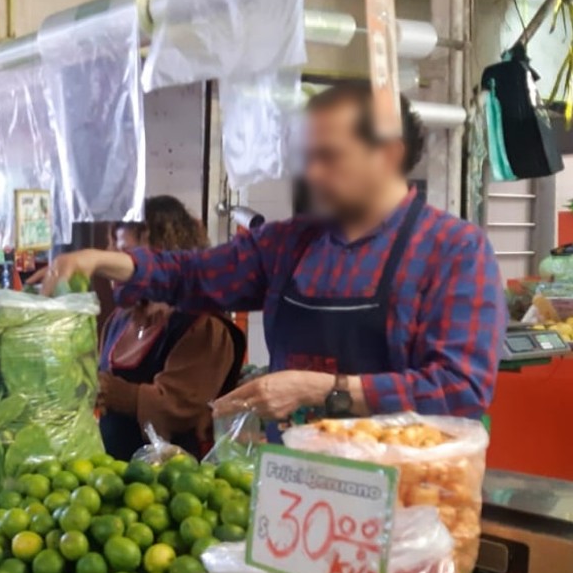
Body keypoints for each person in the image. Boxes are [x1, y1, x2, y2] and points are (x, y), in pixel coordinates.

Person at [46, 82, 507, 433]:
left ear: (388, 155)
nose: (311, 173)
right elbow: (193, 273)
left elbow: (459, 389)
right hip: (293, 491)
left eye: (329, 156)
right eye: (306, 157)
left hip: (400, 495)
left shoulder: (454, 251)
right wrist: (102, 261)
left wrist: (321, 390)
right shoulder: (288, 243)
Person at [98, 197, 246, 459]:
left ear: (165, 253)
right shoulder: (120, 319)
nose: (118, 268)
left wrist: (120, 394)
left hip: (176, 482)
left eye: (129, 255)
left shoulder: (204, 326)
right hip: (110, 478)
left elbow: (180, 409)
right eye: (117, 253)